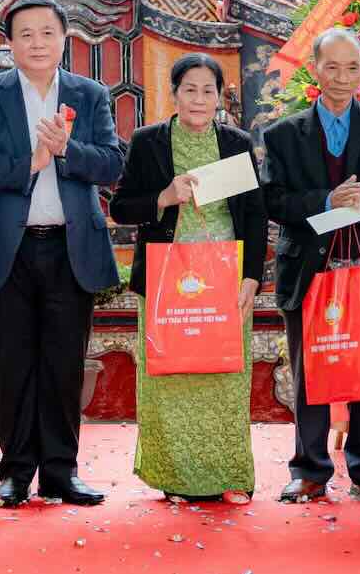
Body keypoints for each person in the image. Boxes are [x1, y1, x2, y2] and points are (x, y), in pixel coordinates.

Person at [0, 0, 126, 509]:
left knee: (63, 365)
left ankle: (61, 472)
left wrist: (66, 152)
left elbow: (113, 165)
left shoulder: (89, 95)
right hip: (7, 250)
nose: (36, 43)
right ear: (9, 43)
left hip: (69, 248)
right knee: (13, 364)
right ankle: (15, 472)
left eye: (46, 33)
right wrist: (28, 163)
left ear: (63, 39)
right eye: (25, 34)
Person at [261, 27, 360, 506]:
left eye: (353, 67)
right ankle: (309, 470)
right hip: (306, 268)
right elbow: (273, 201)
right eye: (332, 66)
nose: (343, 77)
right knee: (309, 373)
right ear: (314, 70)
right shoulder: (283, 133)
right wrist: (327, 200)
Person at [109, 53, 268, 503]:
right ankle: (175, 477)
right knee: (170, 376)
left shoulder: (236, 142)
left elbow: (255, 216)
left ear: (219, 97)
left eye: (208, 91)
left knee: (224, 377)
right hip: (167, 281)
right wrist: (163, 197)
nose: (199, 99)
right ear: (174, 93)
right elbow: (121, 207)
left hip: (225, 280)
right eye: (190, 90)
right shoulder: (148, 142)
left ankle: (231, 475)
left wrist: (252, 278)